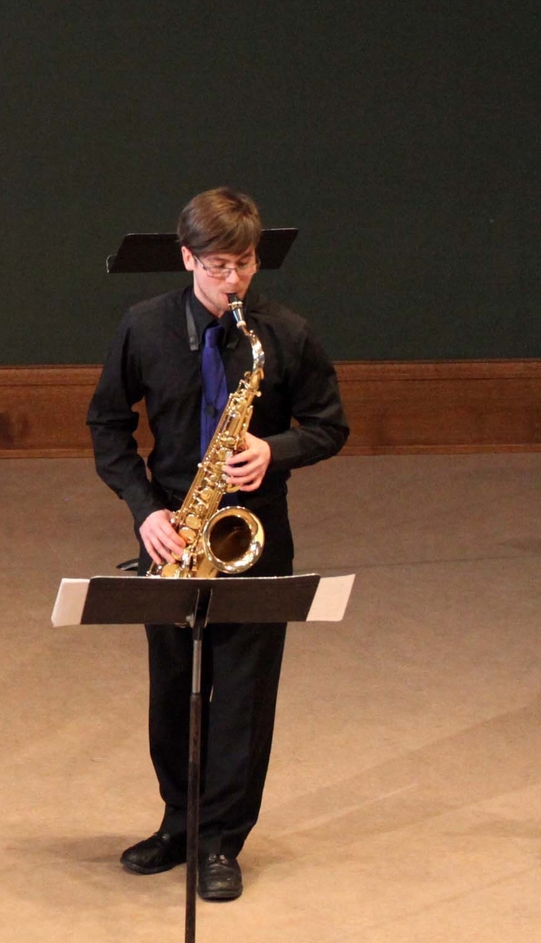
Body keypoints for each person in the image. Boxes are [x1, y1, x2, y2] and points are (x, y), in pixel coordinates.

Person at [87, 188, 350, 901]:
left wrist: (276, 449)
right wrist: (145, 510)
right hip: (172, 528)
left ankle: (222, 841)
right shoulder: (142, 328)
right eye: (216, 266)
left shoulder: (283, 334)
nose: (232, 281)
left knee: (242, 694)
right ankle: (179, 820)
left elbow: (330, 425)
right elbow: (107, 428)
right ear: (186, 258)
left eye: (243, 264)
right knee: (172, 688)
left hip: (253, 534)